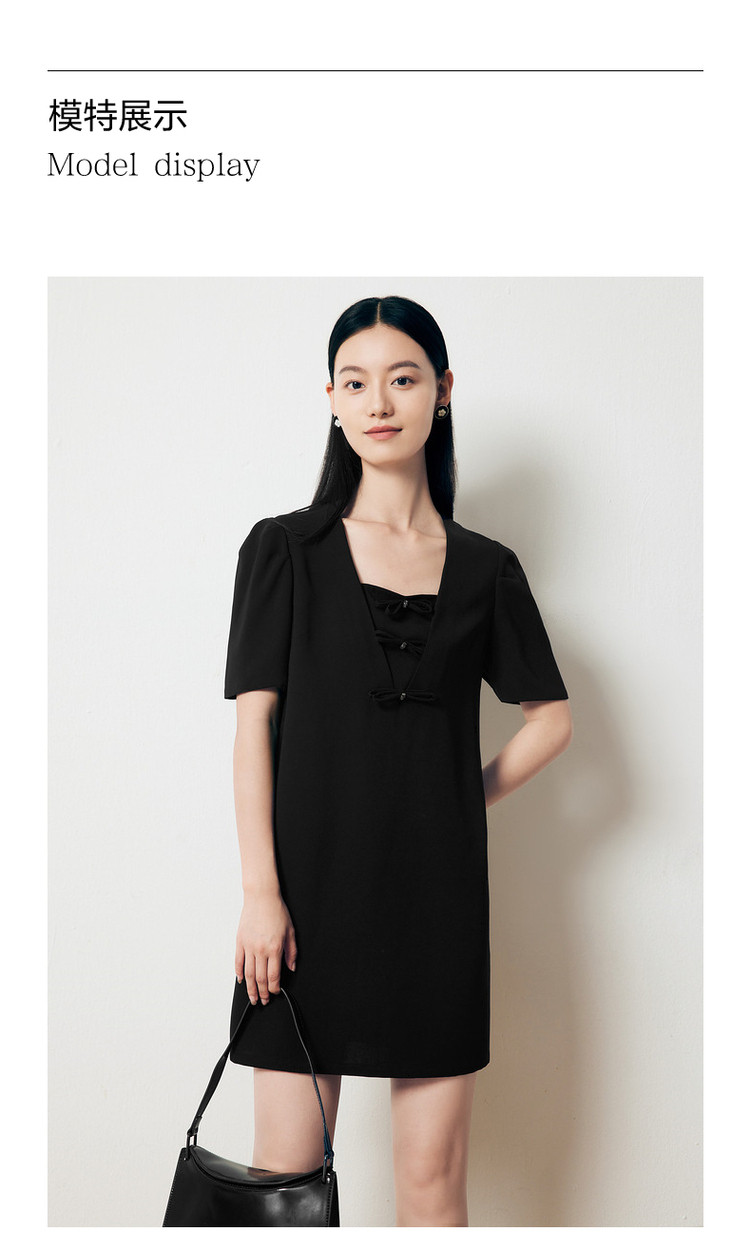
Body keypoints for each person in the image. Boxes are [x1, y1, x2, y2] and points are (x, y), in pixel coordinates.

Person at [224, 294, 573, 1227]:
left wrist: (460, 798)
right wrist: (261, 894)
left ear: (443, 391)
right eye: (355, 382)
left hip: (437, 905)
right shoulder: (284, 550)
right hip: (302, 904)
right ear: (332, 401)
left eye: (403, 378)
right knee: (284, 1184)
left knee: (431, 1186)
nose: (378, 402)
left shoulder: (487, 568)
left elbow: (551, 719)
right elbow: (253, 729)